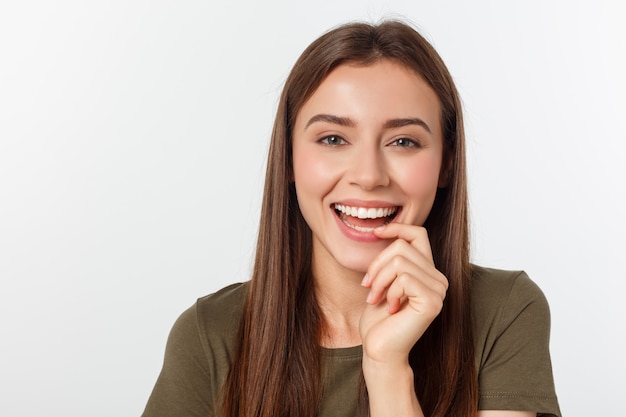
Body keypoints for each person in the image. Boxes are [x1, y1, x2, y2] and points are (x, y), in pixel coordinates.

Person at [142, 20, 561, 417]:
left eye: (403, 141)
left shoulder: (504, 311)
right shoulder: (210, 334)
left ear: (446, 163)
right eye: (333, 139)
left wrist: (387, 368)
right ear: (288, 158)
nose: (368, 176)